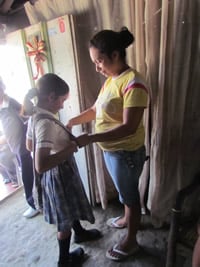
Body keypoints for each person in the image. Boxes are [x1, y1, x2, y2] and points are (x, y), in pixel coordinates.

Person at [67, 27, 149, 261]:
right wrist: (73, 120)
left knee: (130, 197)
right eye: (94, 62)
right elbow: (96, 110)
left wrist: (90, 138)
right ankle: (125, 219)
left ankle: (131, 241)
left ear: (115, 55)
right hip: (113, 152)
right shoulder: (112, 80)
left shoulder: (134, 82)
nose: (97, 67)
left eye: (99, 60)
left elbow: (128, 127)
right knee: (125, 192)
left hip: (126, 152)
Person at [26, 73, 101, 267]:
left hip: (59, 171)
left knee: (69, 206)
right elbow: (40, 165)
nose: (62, 105)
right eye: (61, 100)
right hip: (59, 174)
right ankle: (63, 260)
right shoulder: (45, 123)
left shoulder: (36, 114)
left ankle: (81, 233)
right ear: (51, 97)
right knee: (64, 219)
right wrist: (73, 146)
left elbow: (29, 145)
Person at [0, 77, 39, 218]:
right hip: (14, 145)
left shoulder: (10, 103)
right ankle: (32, 196)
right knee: (26, 172)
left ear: (2, 88)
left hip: (22, 146)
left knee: (27, 175)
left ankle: (33, 204)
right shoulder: (2, 106)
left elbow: (25, 115)